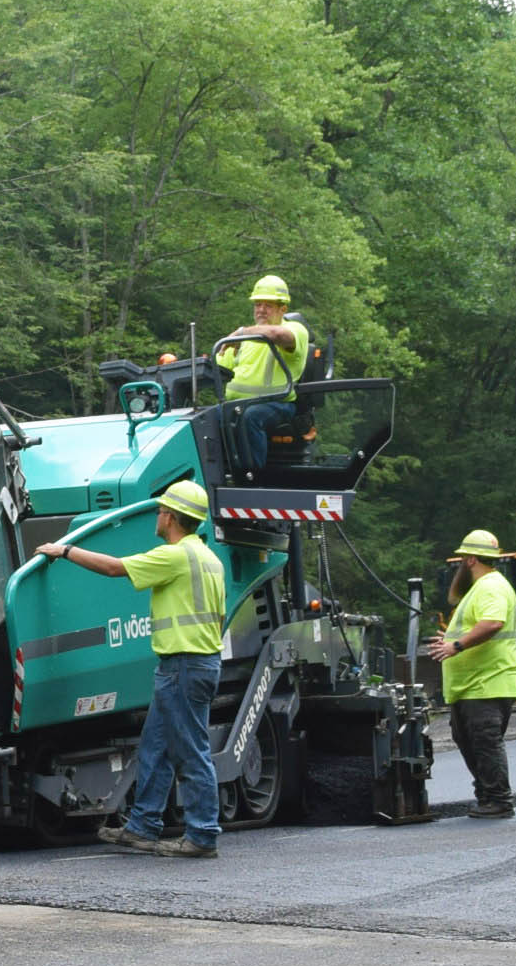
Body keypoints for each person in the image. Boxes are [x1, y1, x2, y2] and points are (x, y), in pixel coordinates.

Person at [37, 476, 227, 859]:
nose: (156, 516)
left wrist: (65, 550)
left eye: (160, 511)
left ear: (171, 518)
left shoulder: (176, 556)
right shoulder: (209, 558)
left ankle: (203, 834)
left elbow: (113, 568)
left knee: (190, 751)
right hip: (195, 664)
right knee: (155, 747)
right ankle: (143, 826)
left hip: (185, 666)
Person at [428, 529, 516, 818]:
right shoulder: (484, 587)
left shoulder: (489, 586)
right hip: (473, 683)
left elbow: (493, 623)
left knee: (484, 741)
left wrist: (456, 645)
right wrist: (454, 637)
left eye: (461, 558)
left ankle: (498, 800)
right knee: (468, 739)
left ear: (469, 559)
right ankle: (486, 794)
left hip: (487, 681)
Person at [211, 273, 311, 474]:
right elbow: (217, 367)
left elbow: (277, 335)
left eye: (268, 305)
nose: (261, 310)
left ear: (283, 309)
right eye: (258, 304)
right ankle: (215, 473)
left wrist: (240, 333)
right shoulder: (245, 338)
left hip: (277, 403)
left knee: (251, 417)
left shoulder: (295, 329)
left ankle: (252, 475)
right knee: (207, 418)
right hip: (235, 405)